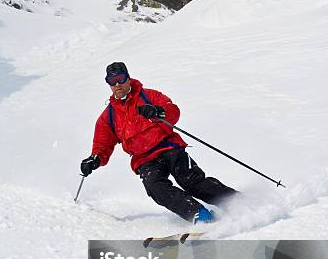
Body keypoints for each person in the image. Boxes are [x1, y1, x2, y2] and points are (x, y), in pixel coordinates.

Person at [80, 62, 237, 223]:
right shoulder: (109, 116)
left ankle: (237, 203)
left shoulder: (149, 96)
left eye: (120, 78)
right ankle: (200, 215)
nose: (117, 84)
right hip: (145, 160)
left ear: (128, 78)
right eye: (112, 81)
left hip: (169, 147)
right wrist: (95, 159)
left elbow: (173, 111)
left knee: (191, 181)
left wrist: (158, 111)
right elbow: (102, 144)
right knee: (156, 188)